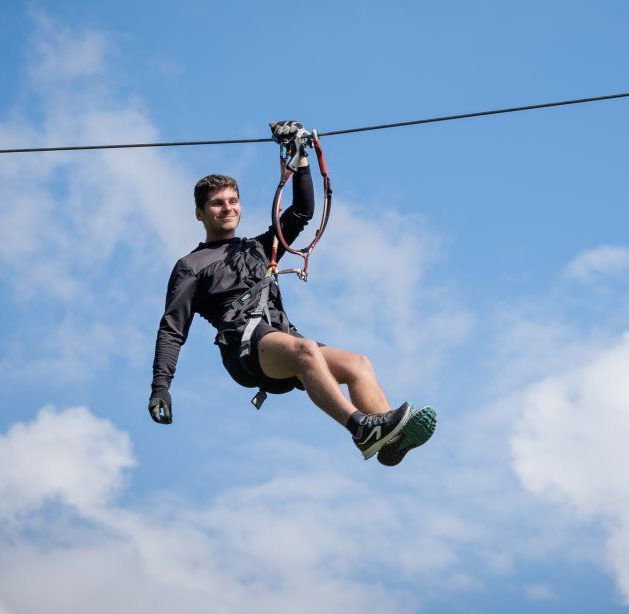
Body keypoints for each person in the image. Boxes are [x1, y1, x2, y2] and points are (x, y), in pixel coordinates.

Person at [147, 121, 436, 465]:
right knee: (306, 350)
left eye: (233, 201)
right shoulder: (191, 264)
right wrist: (160, 386)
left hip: (282, 337)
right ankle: (361, 429)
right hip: (244, 347)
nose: (228, 208)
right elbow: (172, 329)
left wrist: (300, 157)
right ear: (200, 213)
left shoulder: (257, 247)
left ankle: (391, 443)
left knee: (358, 364)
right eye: (217, 203)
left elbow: (301, 212)